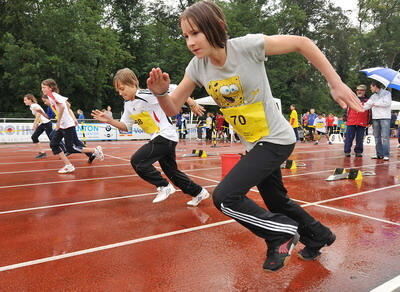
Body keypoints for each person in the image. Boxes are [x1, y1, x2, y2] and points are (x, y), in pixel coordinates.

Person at [146, 1, 362, 272]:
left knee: (225, 196)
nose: (191, 41)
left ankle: (280, 234)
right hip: (254, 143)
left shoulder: (246, 47)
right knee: (276, 201)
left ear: (218, 27)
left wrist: (336, 83)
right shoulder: (197, 66)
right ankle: (318, 235)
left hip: (276, 138)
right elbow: (173, 109)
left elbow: (302, 42)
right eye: (186, 36)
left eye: (196, 33)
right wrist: (161, 93)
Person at [92, 68, 210, 206]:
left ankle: (163, 186)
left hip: (166, 135)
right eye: (118, 90)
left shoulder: (146, 94)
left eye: (122, 88)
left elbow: (174, 88)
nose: (120, 93)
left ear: (133, 83)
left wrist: (192, 103)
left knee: (138, 161)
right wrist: (110, 121)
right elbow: (125, 126)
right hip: (160, 138)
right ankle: (199, 192)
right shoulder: (128, 104)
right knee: (172, 172)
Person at [41, 78, 104, 173]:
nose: (42, 89)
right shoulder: (51, 96)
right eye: (42, 87)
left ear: (50, 88)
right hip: (63, 125)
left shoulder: (54, 96)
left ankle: (95, 150)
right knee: (54, 144)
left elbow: (62, 106)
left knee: (70, 147)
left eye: (44, 87)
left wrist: (58, 122)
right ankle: (68, 165)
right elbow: (67, 105)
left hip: (66, 125)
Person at [363, 80, 392, 161]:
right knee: (376, 137)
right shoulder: (373, 96)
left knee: (385, 137)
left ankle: (386, 154)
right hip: (375, 118)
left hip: (385, 117)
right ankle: (379, 154)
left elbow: (387, 103)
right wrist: (358, 106)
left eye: (371, 87)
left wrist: (375, 103)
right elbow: (367, 106)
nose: (370, 89)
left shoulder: (387, 93)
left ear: (375, 86)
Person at [343, 84, 371, 157]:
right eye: (358, 90)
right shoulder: (351, 99)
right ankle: (347, 151)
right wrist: (345, 118)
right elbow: (346, 109)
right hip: (351, 121)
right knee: (349, 137)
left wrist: (370, 121)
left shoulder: (368, 100)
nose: (359, 91)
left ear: (364, 91)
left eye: (361, 90)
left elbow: (370, 112)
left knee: (360, 138)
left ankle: (358, 152)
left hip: (362, 121)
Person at [23, 94, 53, 158]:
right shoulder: (32, 106)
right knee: (34, 137)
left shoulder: (34, 105)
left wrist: (35, 124)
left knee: (52, 139)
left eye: (25, 100)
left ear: (30, 100)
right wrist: (37, 123)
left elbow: (39, 114)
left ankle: (65, 150)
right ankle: (42, 152)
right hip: (42, 124)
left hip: (46, 123)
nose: (24, 101)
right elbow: (38, 116)